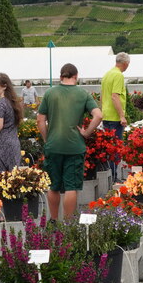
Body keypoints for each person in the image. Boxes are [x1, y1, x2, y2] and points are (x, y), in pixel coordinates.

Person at [37, 63, 102, 221]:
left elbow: (40, 120)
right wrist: (86, 132)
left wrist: (46, 139)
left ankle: (53, 220)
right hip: (75, 146)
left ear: (60, 77)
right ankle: (68, 223)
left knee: (53, 186)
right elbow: (98, 115)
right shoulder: (83, 94)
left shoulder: (50, 93)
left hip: (54, 145)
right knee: (71, 187)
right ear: (76, 76)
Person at [101, 52, 130, 180]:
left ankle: (109, 177)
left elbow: (102, 96)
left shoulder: (107, 74)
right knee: (116, 149)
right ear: (125, 63)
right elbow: (115, 96)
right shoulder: (118, 75)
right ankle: (114, 177)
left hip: (106, 115)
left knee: (108, 148)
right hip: (114, 117)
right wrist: (121, 116)